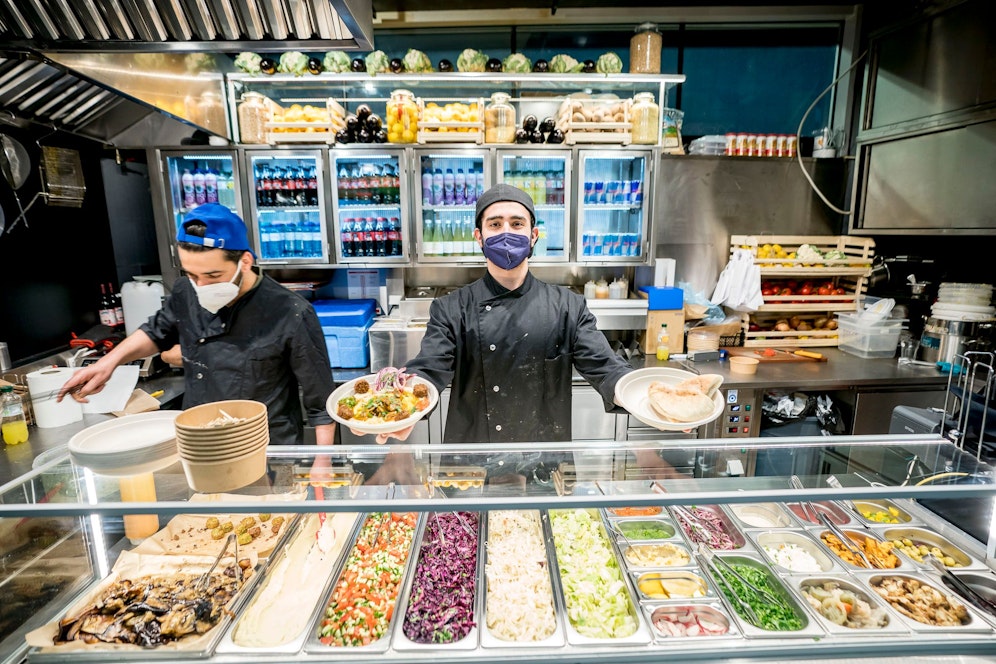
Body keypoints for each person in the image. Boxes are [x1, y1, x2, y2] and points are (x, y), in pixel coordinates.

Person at [368, 183, 634, 446]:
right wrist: (404, 407)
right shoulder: (451, 308)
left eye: (517, 224)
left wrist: (640, 397)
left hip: (543, 463)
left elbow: (605, 367)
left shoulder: (568, 307)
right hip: (471, 466)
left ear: (534, 235)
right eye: (495, 224)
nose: (506, 231)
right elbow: (429, 367)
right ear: (479, 237)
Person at [58, 203, 336, 447]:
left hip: (266, 448)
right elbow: (157, 333)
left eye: (213, 275)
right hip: (198, 442)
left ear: (245, 262)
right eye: (192, 274)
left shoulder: (291, 311)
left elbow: (320, 404)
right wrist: (109, 362)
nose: (200, 286)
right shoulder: (184, 291)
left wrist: (322, 463)